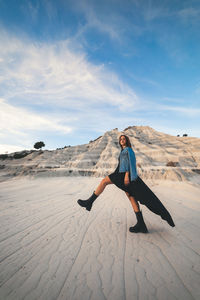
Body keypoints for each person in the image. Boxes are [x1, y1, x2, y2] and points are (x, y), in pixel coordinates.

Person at [77, 134, 175, 233]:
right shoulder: (123, 151)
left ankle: (89, 202)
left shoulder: (128, 150)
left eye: (124, 139)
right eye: (121, 139)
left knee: (104, 182)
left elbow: (131, 163)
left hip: (123, 175)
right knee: (131, 196)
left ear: (127, 141)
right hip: (121, 174)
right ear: (119, 142)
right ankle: (141, 224)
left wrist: (127, 175)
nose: (122, 140)